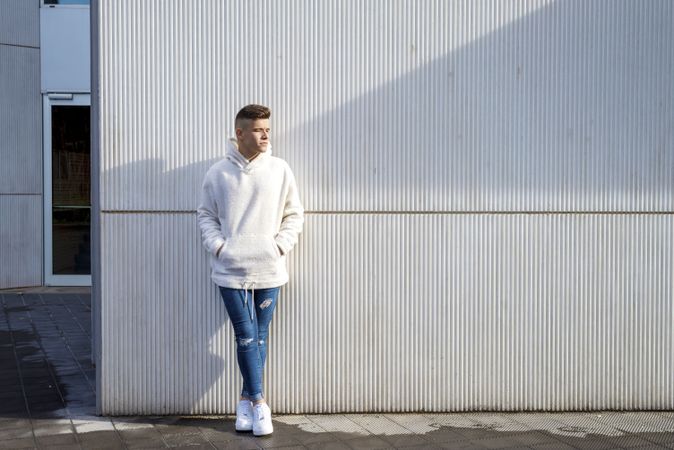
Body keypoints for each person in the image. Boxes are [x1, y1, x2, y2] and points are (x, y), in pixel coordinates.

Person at [197, 104, 303, 436]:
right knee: (246, 336)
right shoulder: (218, 173)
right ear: (240, 133)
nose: (266, 135)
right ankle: (259, 403)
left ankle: (244, 400)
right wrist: (220, 247)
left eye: (268, 129)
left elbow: (294, 214)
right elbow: (205, 216)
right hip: (230, 271)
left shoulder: (280, 169)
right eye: (259, 130)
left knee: (259, 336)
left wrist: (279, 246)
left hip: (269, 268)